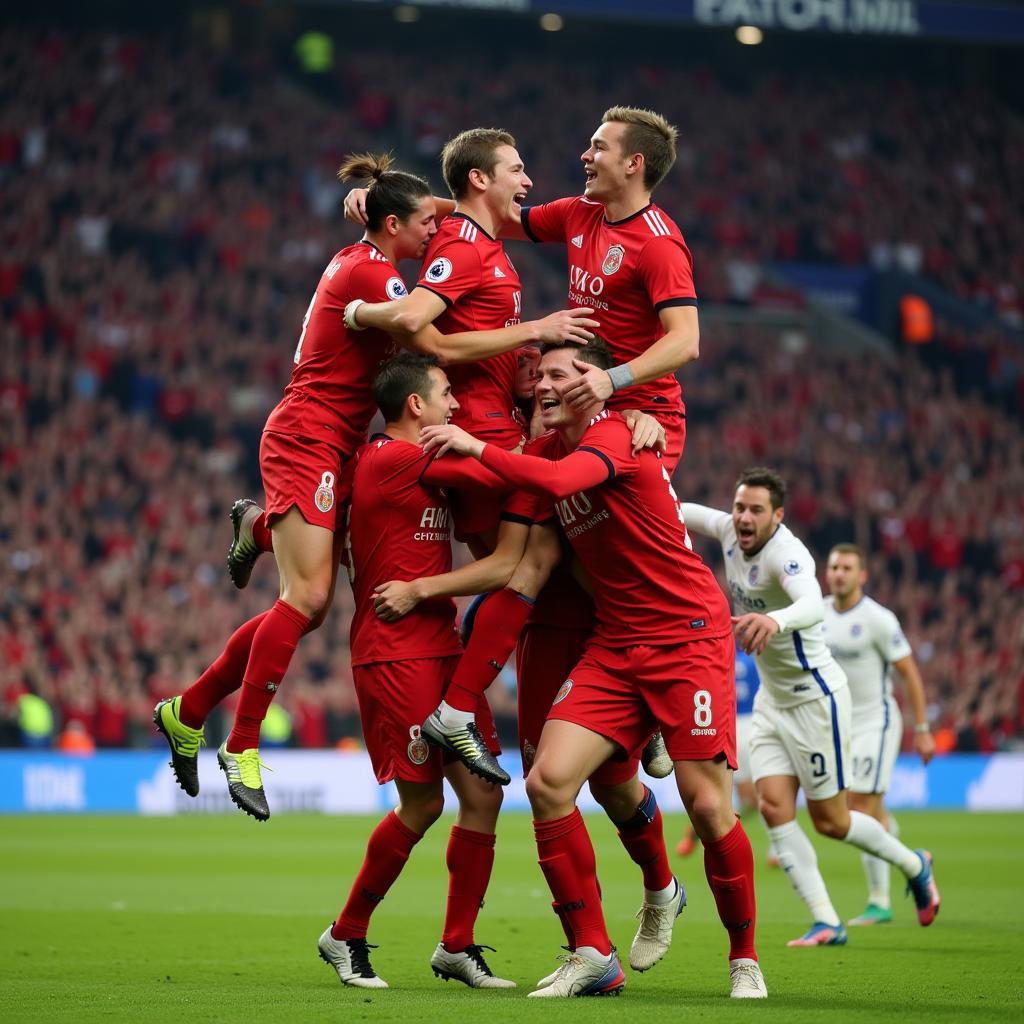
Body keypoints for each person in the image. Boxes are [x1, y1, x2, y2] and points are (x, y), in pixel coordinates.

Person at [153, 153, 590, 819]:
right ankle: (238, 744)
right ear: (393, 224)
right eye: (420, 226)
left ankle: (192, 701)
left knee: (314, 598)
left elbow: (441, 220)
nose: (431, 239)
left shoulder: (370, 257)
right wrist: (535, 330)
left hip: (335, 439)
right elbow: (431, 340)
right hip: (309, 435)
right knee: (307, 599)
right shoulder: (373, 271)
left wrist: (401, 202)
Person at [418, 339, 767, 1000]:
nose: (543, 384)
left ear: (596, 381)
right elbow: (516, 500)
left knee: (706, 805)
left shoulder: (616, 436)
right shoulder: (548, 449)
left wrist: (470, 443)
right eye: (538, 376)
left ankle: (744, 957)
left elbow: (548, 483)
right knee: (548, 782)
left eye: (559, 373)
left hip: (686, 635)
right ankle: (591, 953)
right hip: (616, 641)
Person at [319, 352, 515, 990]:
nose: (455, 407)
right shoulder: (392, 458)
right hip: (394, 649)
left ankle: (456, 946)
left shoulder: (416, 467)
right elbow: (500, 476)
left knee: (484, 793)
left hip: (439, 647)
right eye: (446, 395)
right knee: (424, 802)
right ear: (416, 407)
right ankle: (345, 935)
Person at [680, 469, 940, 947]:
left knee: (832, 821)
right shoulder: (729, 532)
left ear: (777, 517)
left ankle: (913, 864)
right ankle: (827, 920)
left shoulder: (789, 554)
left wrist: (773, 620)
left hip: (816, 701)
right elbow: (688, 512)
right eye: (740, 507)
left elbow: (811, 605)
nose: (744, 517)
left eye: (756, 510)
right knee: (774, 806)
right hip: (771, 703)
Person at [824, 542, 936, 926]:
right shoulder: (818, 614)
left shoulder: (879, 619)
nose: (839, 573)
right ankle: (913, 859)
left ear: (862, 575)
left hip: (877, 722)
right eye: (834, 567)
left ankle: (880, 900)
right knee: (871, 813)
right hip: (838, 727)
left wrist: (922, 729)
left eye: (847, 568)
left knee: (859, 811)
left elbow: (909, 673)